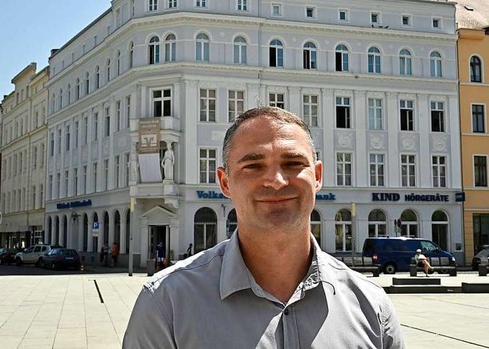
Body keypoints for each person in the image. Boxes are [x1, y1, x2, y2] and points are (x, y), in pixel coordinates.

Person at [123, 106, 404, 348]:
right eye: (253, 166)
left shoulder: (371, 305)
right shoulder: (167, 304)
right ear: (225, 182)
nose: (277, 180)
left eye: (293, 163)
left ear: (317, 176)